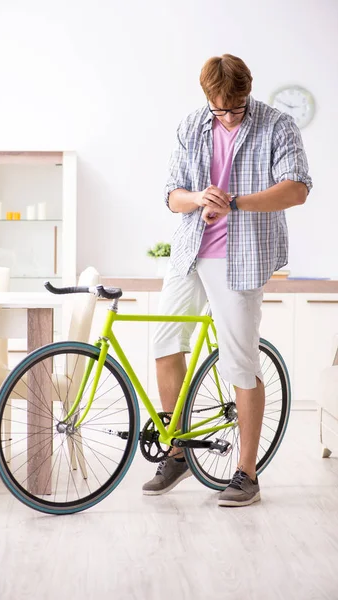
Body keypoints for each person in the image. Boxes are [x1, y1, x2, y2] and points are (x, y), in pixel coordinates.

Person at [142, 53, 312, 507]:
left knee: (239, 361)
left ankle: (247, 474)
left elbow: (296, 188)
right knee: (163, 345)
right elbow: (170, 195)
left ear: (247, 93)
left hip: (243, 256)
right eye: (221, 108)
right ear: (208, 99)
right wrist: (197, 198)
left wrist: (235, 202)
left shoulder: (277, 125)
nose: (229, 115)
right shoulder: (193, 124)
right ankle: (177, 452)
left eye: (236, 107)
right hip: (190, 250)